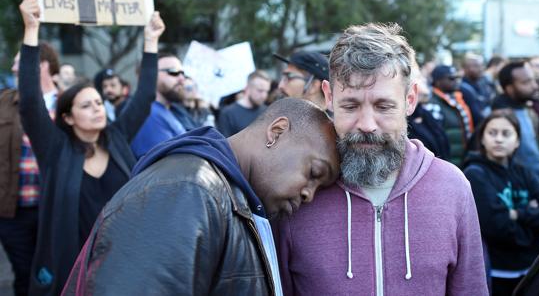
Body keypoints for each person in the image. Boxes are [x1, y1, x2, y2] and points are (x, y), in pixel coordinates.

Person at [273, 22, 488, 295]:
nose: (367, 124)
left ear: (410, 100)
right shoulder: (296, 190)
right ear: (328, 96)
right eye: (350, 106)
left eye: (383, 106)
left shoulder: (452, 187)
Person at [61, 98, 340, 295]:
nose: (309, 195)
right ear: (277, 132)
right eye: (314, 172)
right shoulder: (186, 191)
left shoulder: (222, 195)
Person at [16, 0, 164, 296]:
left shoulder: (117, 138)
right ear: (68, 117)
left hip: (124, 261)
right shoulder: (55, 149)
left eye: (98, 102)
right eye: (86, 105)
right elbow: (30, 102)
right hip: (73, 266)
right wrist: (31, 30)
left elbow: (145, 95)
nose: (97, 109)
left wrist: (150, 41)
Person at [463, 109, 539, 296]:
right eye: (492, 133)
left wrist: (517, 213)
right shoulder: (475, 174)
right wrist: (531, 228)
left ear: (517, 142)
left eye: (506, 134)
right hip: (498, 272)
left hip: (531, 268)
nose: (499, 139)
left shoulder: (523, 172)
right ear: (482, 138)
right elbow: (495, 225)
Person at [0, 42, 59, 296]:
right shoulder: (3, 102)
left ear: (41, 64)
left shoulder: (71, 103)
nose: (14, 67)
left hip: (55, 210)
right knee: (24, 276)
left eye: (19, 61)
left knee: (57, 273)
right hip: (13, 212)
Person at [130, 52, 197, 158]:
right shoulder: (148, 115)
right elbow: (165, 168)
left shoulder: (167, 110)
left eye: (182, 73)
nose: (182, 79)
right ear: (149, 76)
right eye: (173, 72)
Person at [492, 61, 539, 188]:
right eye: (526, 82)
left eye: (533, 80)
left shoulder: (524, 107)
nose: (534, 86)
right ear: (509, 88)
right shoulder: (501, 117)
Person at [425, 64, 474, 167]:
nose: (456, 81)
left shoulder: (456, 97)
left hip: (463, 158)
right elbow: (437, 138)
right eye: (451, 78)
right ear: (438, 81)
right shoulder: (432, 104)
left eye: (457, 77)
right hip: (449, 162)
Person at [217, 69, 271, 137]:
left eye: (267, 91)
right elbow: (223, 144)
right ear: (247, 88)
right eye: (260, 90)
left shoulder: (268, 111)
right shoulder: (228, 113)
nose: (264, 96)